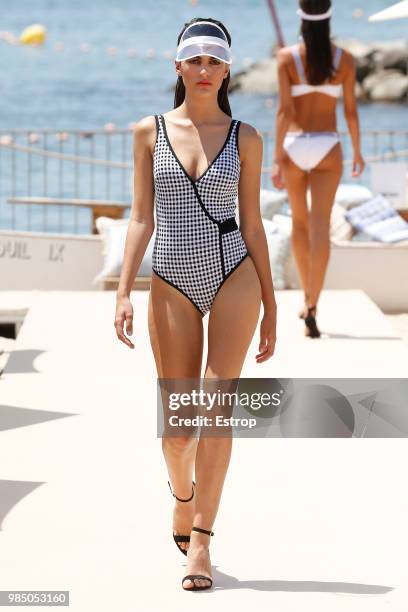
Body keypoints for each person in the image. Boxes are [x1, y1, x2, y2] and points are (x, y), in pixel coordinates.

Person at [114, 17, 277, 591]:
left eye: (215, 60)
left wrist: (274, 304)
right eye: (195, 59)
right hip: (172, 281)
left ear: (228, 68)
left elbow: (253, 224)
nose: (205, 69)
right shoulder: (148, 131)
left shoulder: (246, 136)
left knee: (216, 406)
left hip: (234, 273)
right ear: (177, 65)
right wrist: (123, 290)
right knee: (180, 429)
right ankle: (181, 497)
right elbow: (139, 217)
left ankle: (202, 541)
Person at [272, 0, 365, 337]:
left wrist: (275, 157)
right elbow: (351, 111)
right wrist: (357, 151)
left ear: (301, 17)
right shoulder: (344, 60)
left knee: (299, 222)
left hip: (296, 144)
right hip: (328, 144)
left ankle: (304, 296)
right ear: (329, 18)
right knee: (320, 226)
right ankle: (313, 304)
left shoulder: (286, 58)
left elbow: (284, 111)